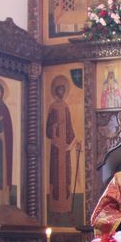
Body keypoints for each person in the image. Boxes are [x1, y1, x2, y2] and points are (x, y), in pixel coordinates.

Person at [46, 75, 77, 213]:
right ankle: (55, 206)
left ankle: (66, 206)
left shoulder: (66, 107)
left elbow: (69, 125)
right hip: (56, 146)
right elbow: (48, 129)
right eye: (59, 90)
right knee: (56, 175)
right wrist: (54, 126)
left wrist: (72, 141)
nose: (61, 93)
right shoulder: (52, 107)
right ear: (56, 91)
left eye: (63, 90)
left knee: (65, 175)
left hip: (64, 146)